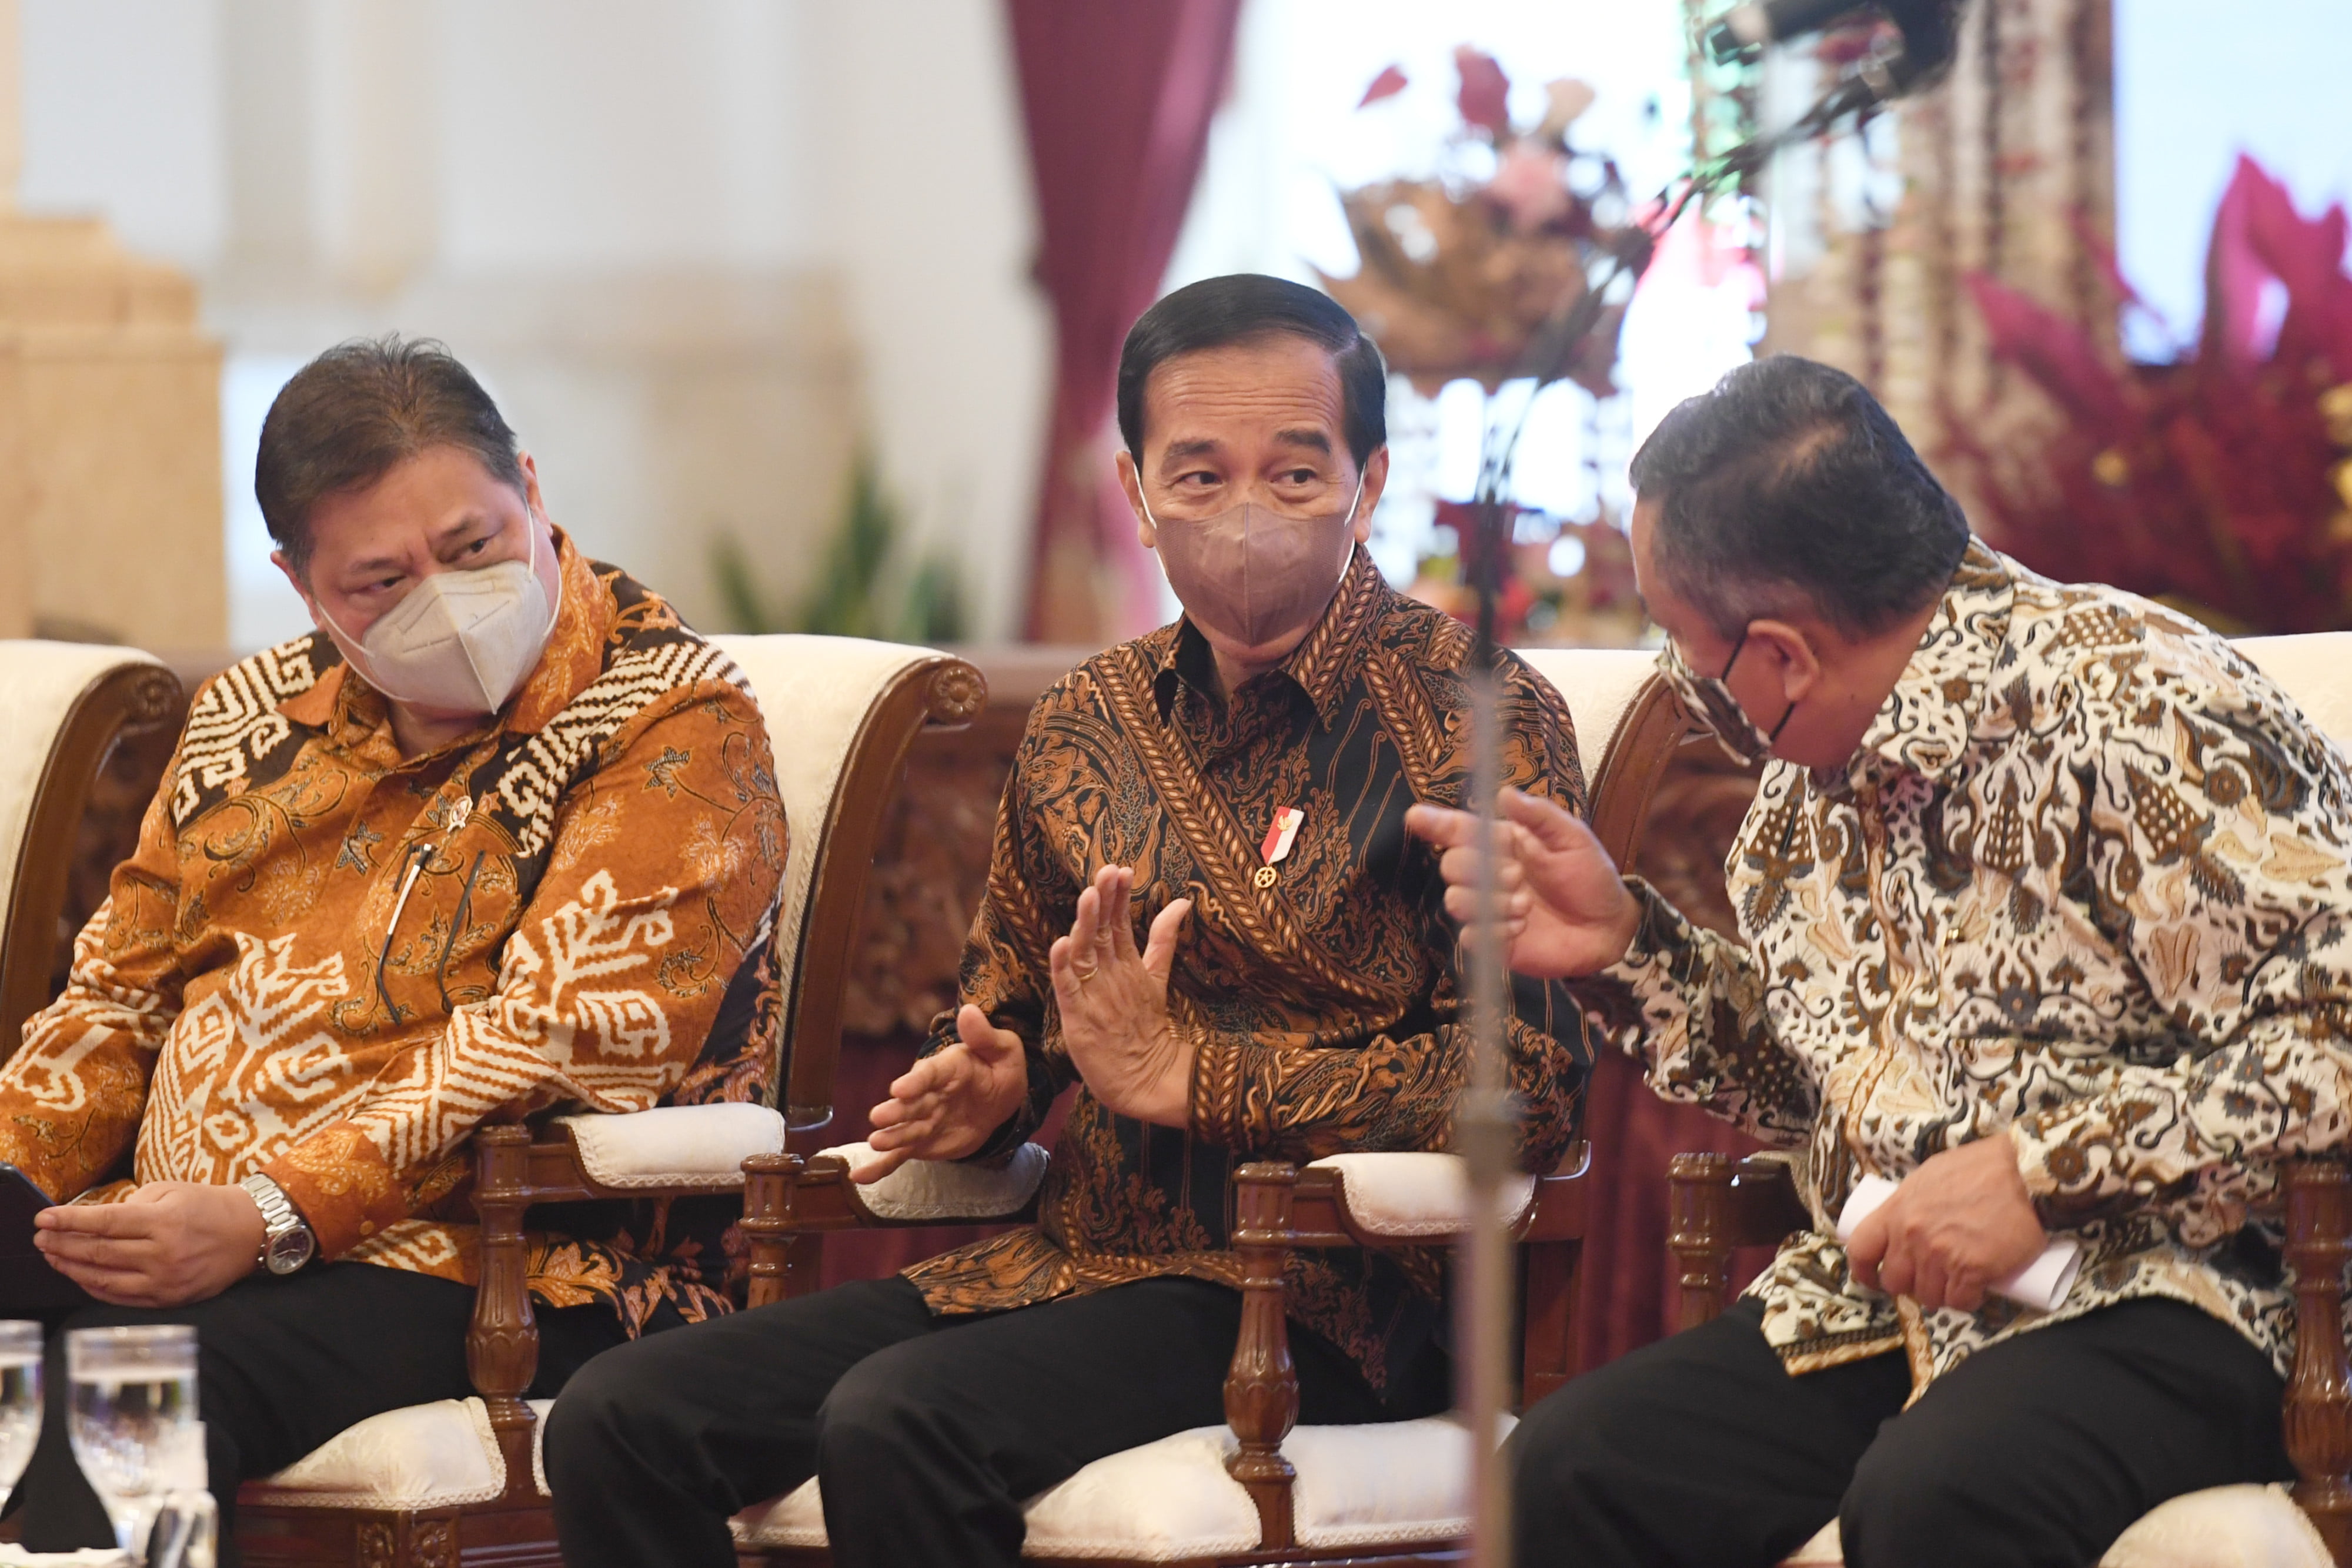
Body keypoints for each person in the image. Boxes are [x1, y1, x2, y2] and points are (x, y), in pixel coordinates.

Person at [543, 273, 1596, 1568]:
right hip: (1066, 1259)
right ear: (1137, 495)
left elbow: (1532, 1084)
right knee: (620, 1416)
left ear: (1367, 482)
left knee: (900, 1421)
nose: (1245, 513)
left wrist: (1198, 1078)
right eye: (1198, 476)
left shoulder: (1475, 714)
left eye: (1293, 473)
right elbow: (1014, 1010)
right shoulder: (1089, 718)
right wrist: (989, 1084)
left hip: (1332, 1295)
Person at [1407, 352, 2348, 1568]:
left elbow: (2333, 1036)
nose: (1678, 674)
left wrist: (2038, 1175)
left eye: (1680, 638)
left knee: (1938, 1496)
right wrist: (1628, 950)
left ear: (1780, 654)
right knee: (1565, 1471)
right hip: (1895, 1307)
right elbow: (1817, 1092)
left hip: (2207, 1292)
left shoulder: (2138, 709)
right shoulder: (1806, 787)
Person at [0, 336, 787, 1554]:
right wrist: (22, 1186)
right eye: (380, 580)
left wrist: (270, 1212)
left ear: (529, 485)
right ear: (301, 585)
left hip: (507, 1261)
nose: (444, 598)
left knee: (123, 1399)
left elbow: (553, 1039)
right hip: (189, 1243)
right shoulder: (248, 716)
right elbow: (117, 994)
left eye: (473, 548)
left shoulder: (669, 721)